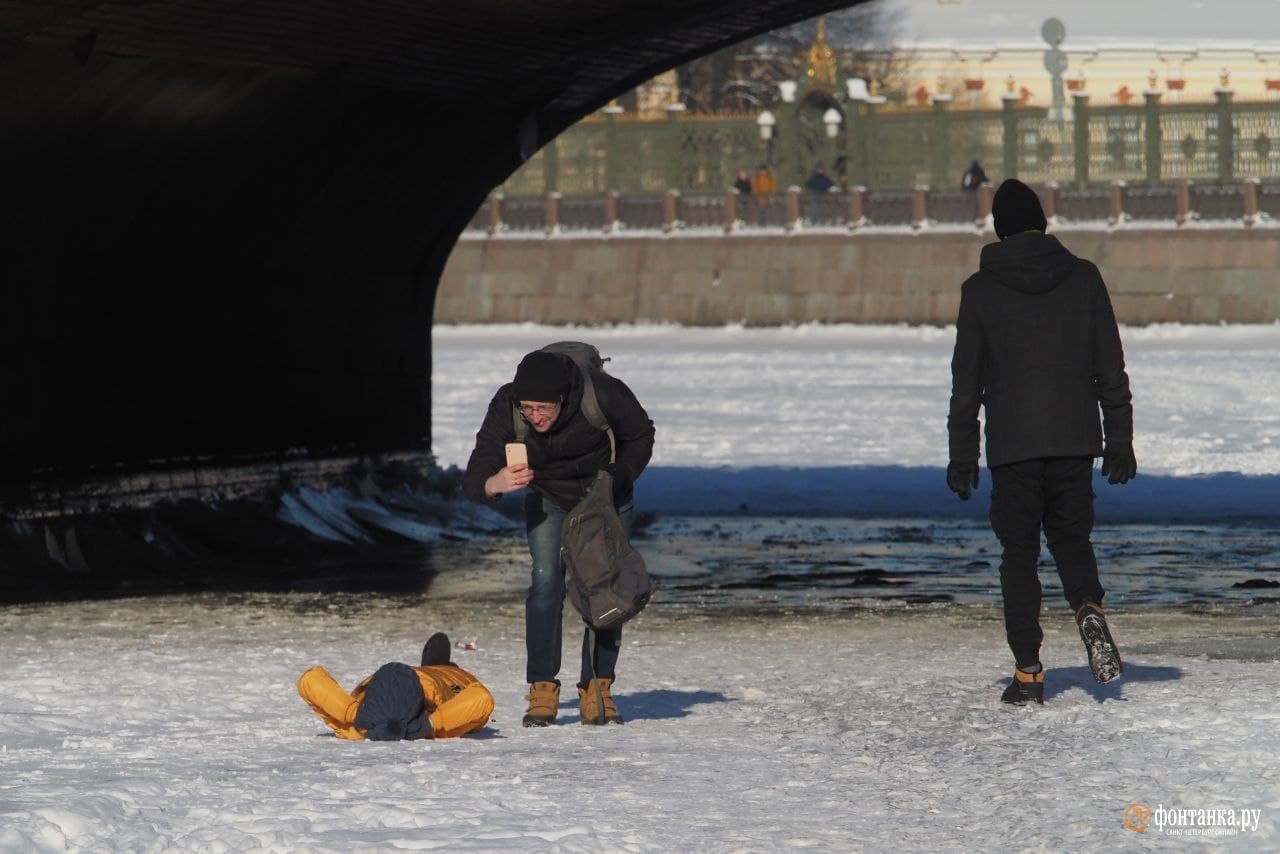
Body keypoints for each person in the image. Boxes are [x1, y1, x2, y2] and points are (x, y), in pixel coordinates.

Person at [946, 178, 1136, 706]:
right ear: (1044, 223)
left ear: (998, 230)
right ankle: (1088, 610)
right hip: (1075, 441)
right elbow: (1109, 367)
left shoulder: (979, 291)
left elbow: (967, 382)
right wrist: (1119, 439)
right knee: (1072, 542)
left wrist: (963, 454)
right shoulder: (1083, 278)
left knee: (1019, 556)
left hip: (1013, 447)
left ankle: (1029, 672)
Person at [463, 348, 655, 726]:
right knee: (546, 583)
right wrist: (494, 483)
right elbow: (477, 469)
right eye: (528, 409)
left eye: (543, 409)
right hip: (549, 497)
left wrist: (621, 475)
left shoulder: (602, 393)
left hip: (605, 496)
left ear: (563, 400)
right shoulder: (507, 404)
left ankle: (597, 688)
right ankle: (542, 689)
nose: (535, 418)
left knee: (604, 587)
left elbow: (641, 434)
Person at [297, 632, 495, 740]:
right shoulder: (433, 718)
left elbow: (310, 679)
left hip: (414, 680)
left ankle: (433, 666)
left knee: (434, 669)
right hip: (444, 683)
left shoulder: (355, 726)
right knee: (447, 674)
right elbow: (482, 699)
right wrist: (430, 724)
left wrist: (352, 712)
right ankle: (441, 665)